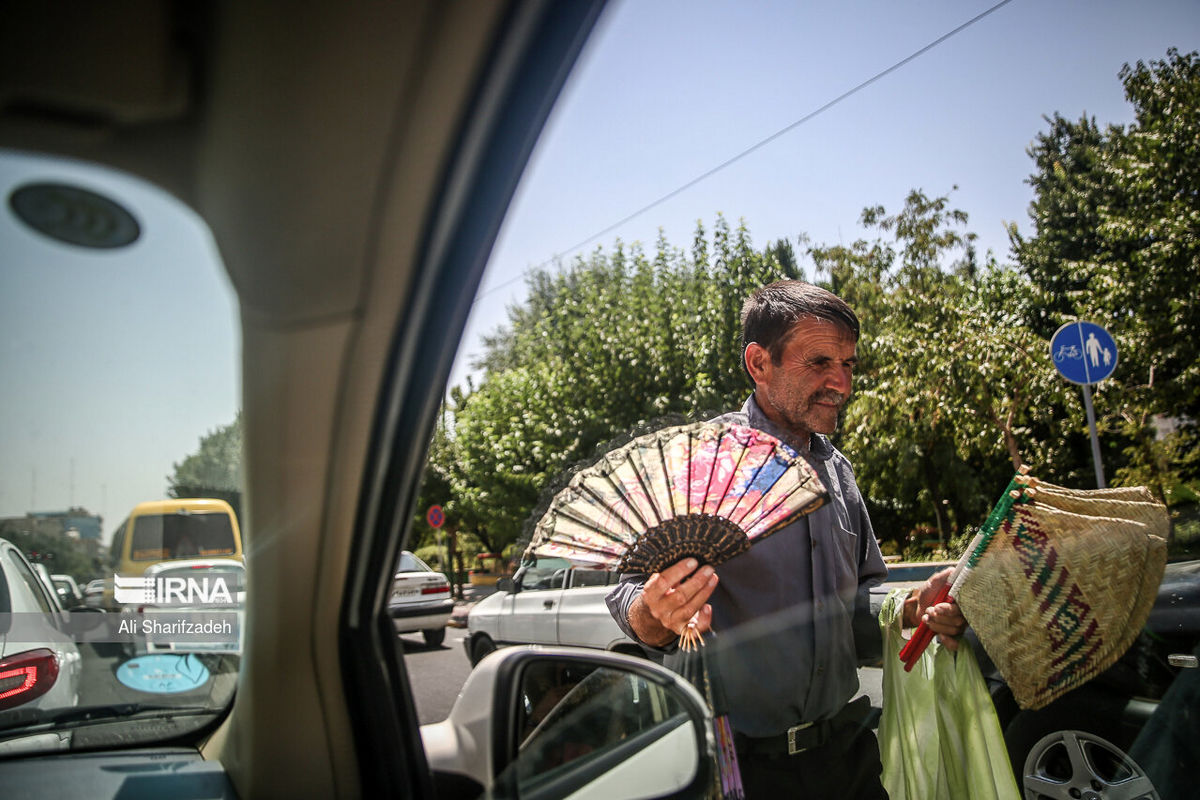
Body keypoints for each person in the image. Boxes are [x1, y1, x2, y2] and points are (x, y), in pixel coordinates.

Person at [606, 280, 967, 798]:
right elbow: (628, 595)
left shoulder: (838, 473)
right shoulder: (703, 464)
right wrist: (655, 613)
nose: (840, 384)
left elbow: (854, 608)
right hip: (742, 771)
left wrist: (910, 608)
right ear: (759, 363)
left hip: (848, 755)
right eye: (819, 362)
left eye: (847, 365)